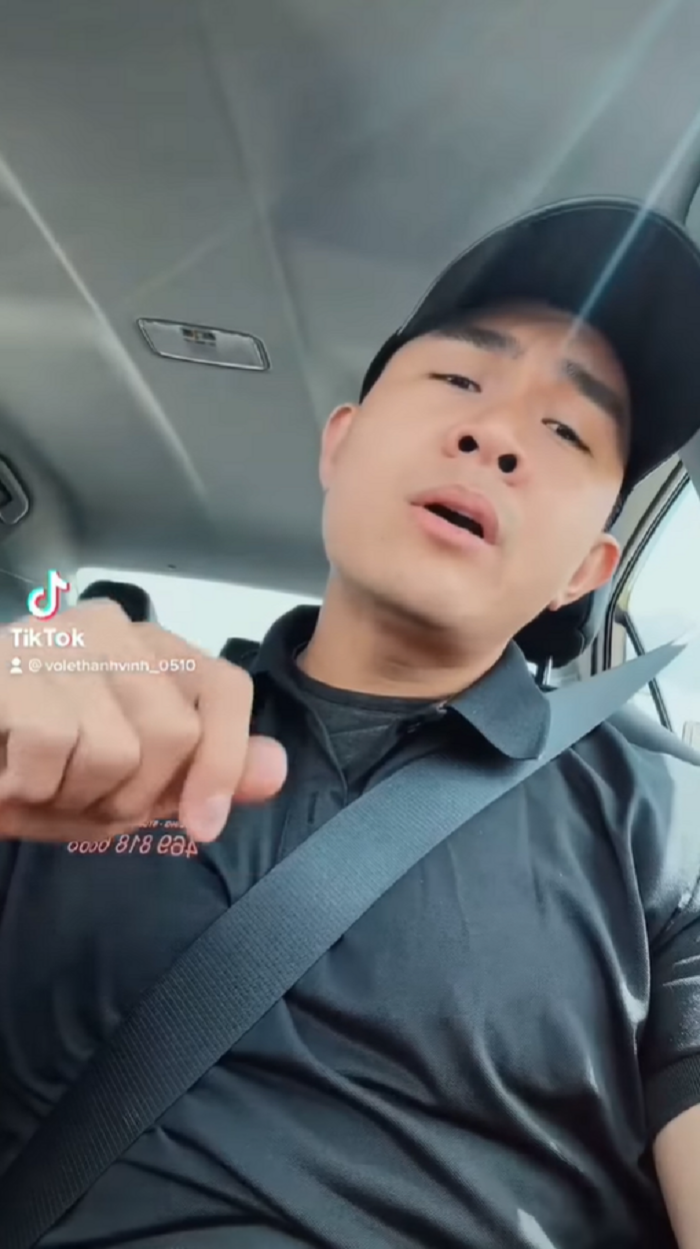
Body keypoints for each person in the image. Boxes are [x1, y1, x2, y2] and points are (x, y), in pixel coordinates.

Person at [1, 197, 700, 1249]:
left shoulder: (672, 825)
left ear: (585, 571)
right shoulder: (100, 732)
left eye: (567, 430)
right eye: (459, 380)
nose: (496, 435)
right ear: (341, 443)